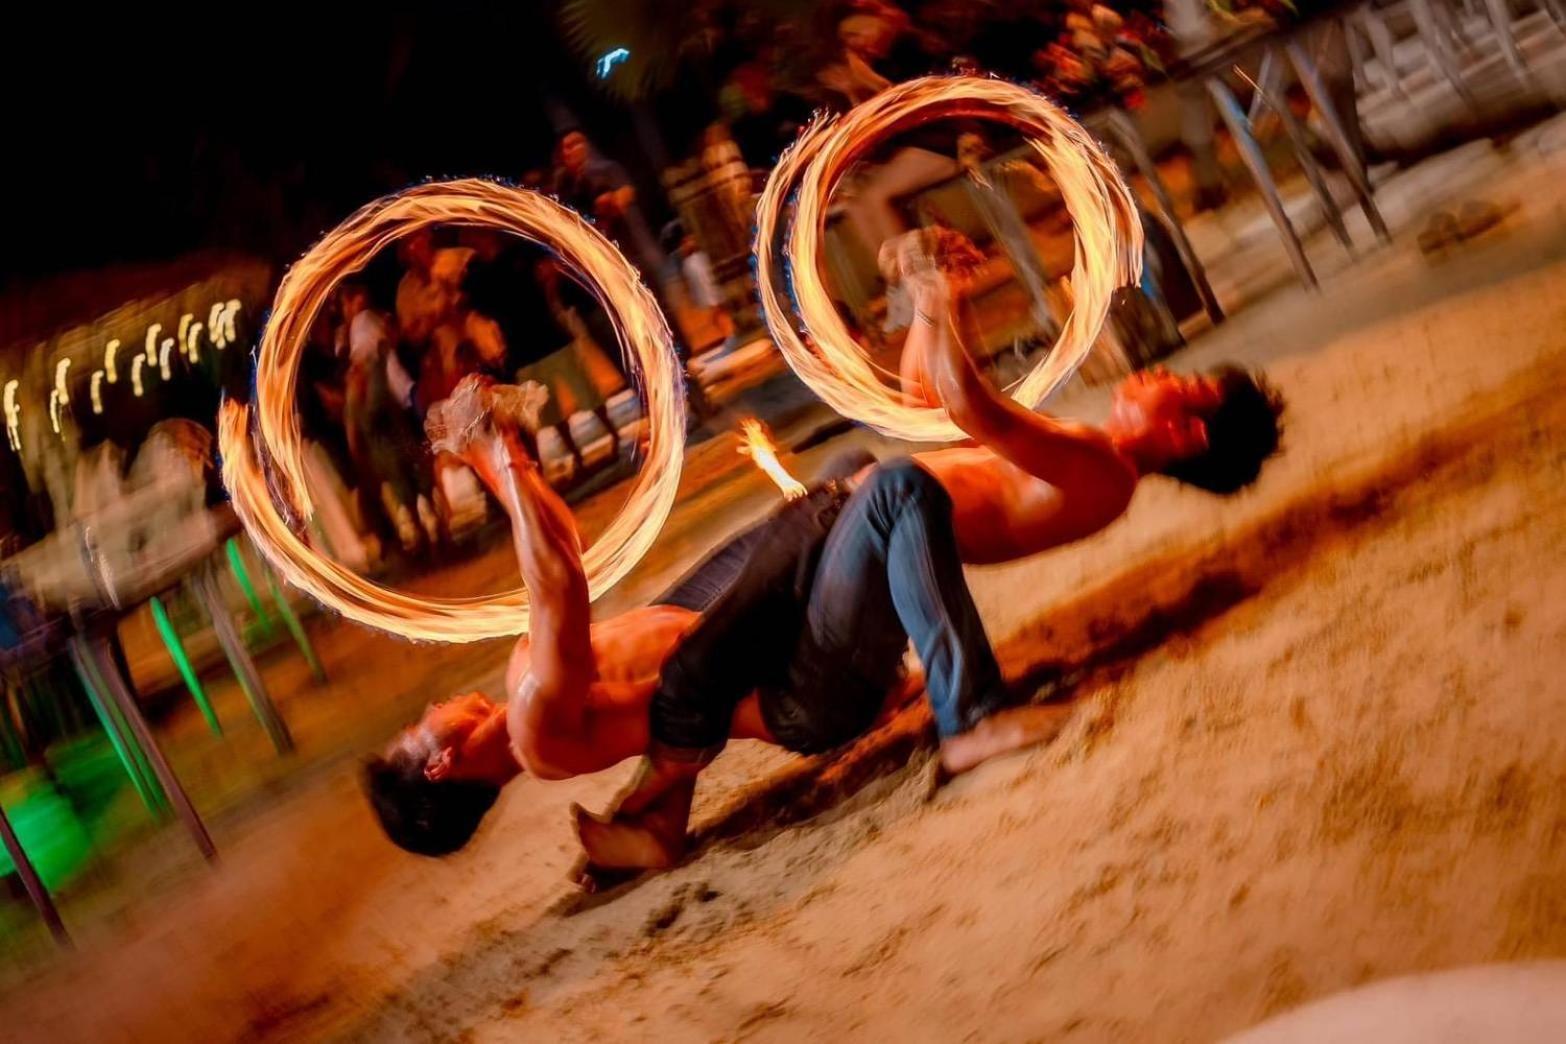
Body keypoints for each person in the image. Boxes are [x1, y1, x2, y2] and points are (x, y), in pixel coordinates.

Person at [365, 249, 1283, 864]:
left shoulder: (1099, 465)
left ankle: (664, 799)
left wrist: (503, 458)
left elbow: (558, 562)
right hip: (803, 684)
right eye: (418, 728)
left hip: (781, 658)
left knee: (852, 480)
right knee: (886, 489)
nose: (429, 707)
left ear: (1188, 433)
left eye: (1181, 387)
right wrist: (495, 458)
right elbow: (557, 575)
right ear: (442, 766)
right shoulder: (534, 715)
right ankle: (970, 718)